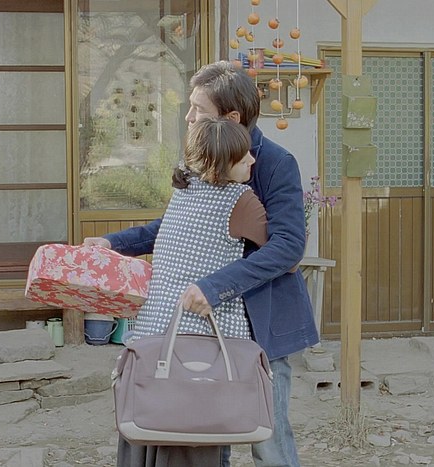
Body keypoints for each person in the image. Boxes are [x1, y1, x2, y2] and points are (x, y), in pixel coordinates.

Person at [84, 60, 318, 467]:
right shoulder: (204, 153)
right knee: (204, 430)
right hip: (202, 324)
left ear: (232, 117)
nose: (189, 116)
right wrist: (113, 243)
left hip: (262, 321)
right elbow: (176, 227)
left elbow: (288, 247)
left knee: (269, 439)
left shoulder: (276, 163)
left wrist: (213, 287)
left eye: (198, 109)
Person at [113, 116, 265, 466]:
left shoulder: (184, 192)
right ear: (219, 163)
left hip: (152, 336)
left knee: (145, 433)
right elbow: (284, 255)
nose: (252, 160)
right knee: (191, 438)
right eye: (242, 156)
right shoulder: (241, 200)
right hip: (200, 349)